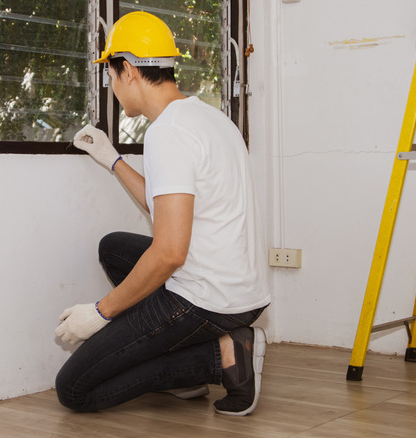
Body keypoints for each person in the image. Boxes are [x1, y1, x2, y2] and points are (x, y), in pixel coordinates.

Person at [54, 11, 271, 416]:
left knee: (74, 390)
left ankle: (219, 355)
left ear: (130, 71)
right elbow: (168, 205)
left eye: (112, 76)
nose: (113, 86)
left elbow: (170, 253)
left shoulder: (167, 134)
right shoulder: (205, 116)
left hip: (208, 300)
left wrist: (101, 312)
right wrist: (112, 160)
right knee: (115, 248)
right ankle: (189, 374)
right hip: (241, 287)